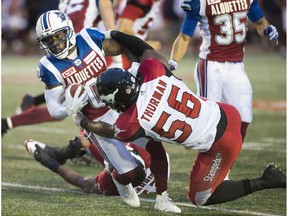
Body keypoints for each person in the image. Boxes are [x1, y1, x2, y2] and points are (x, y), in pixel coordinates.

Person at [72, 30, 286, 207]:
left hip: (220, 143)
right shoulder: (153, 71)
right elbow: (142, 49)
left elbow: (107, 130)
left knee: (201, 198)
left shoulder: (132, 123)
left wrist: (82, 120)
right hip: (226, 111)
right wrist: (114, 33)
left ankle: (266, 181)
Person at [21, 10, 179, 212]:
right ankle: (120, 179)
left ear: (69, 31)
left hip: (122, 104)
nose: (56, 43)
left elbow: (123, 46)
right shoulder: (48, 66)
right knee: (129, 174)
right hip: (96, 119)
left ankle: (163, 198)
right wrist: (69, 108)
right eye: (49, 40)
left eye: (59, 36)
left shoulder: (88, 38)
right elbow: (54, 109)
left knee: (156, 144)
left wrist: (150, 62)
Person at [168, 0, 279, 142]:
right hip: (211, 65)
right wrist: (173, 61)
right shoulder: (201, 3)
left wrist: (266, 30)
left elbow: (260, 22)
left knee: (243, 118)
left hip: (237, 65)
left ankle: (227, 161)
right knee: (208, 120)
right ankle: (206, 161)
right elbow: (184, 37)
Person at [24, 139, 162, 197]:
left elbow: (85, 184)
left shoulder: (114, 184)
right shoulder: (146, 146)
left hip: (128, 182)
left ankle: (62, 155)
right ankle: (62, 153)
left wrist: (50, 163)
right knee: (89, 136)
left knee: (89, 135)